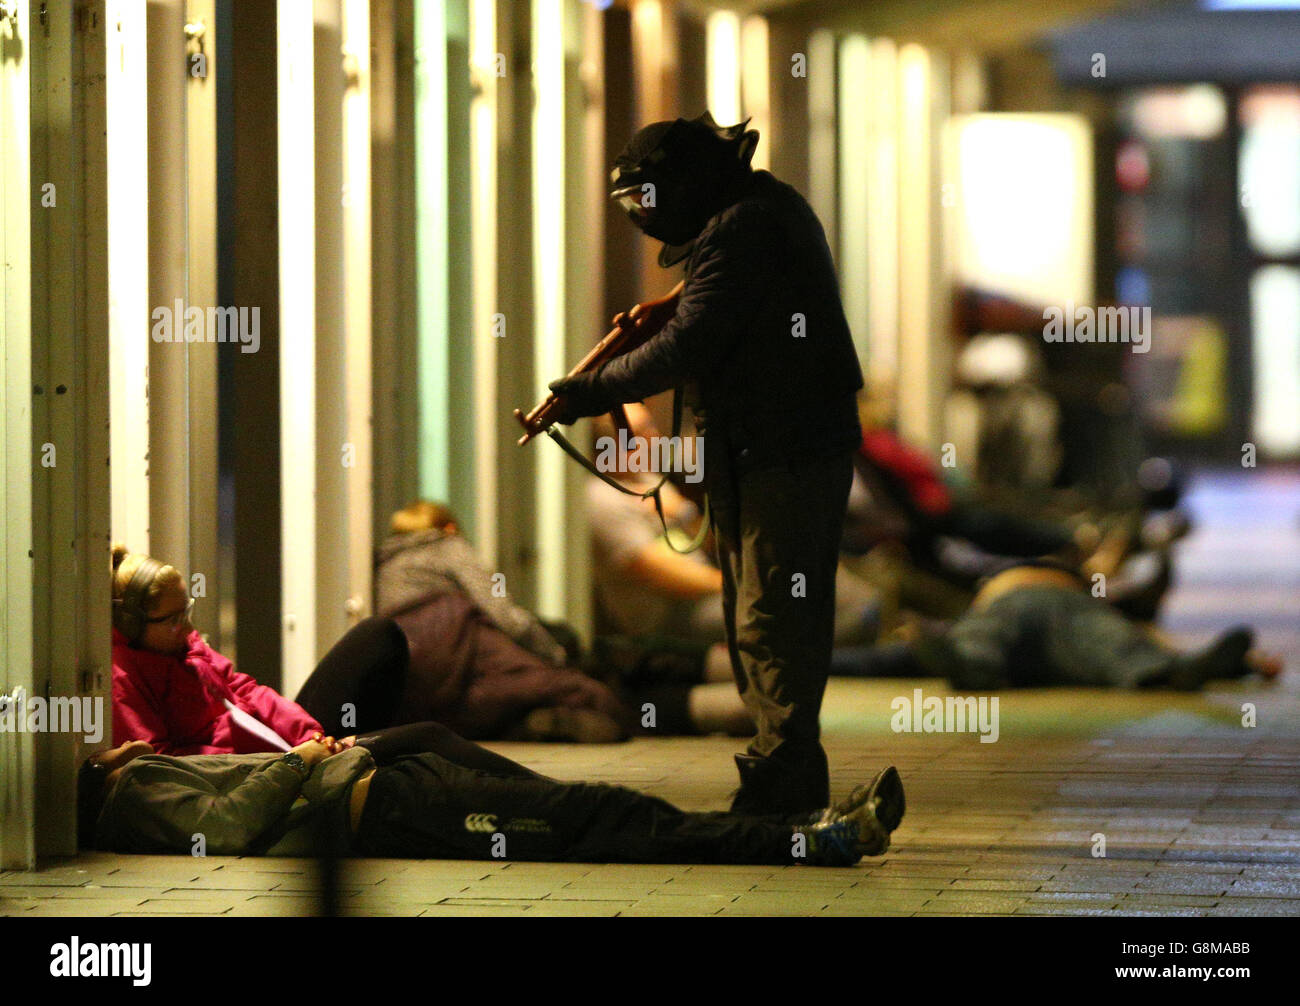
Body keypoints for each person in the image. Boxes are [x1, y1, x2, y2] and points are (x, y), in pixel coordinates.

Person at [548, 112, 865, 815]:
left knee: (771, 615)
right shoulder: (757, 212)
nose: (643, 216)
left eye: (647, 199)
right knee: (757, 612)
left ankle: (784, 784)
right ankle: (777, 772)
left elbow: (692, 344)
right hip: (765, 449)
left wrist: (596, 389)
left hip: (783, 450)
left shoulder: (743, 226)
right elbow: (714, 317)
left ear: (684, 184)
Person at [78, 733, 906, 868]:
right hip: (390, 813)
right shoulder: (131, 795)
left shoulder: (136, 772)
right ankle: (815, 841)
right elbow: (228, 823)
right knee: (601, 820)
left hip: (393, 789)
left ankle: (796, 827)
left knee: (601, 805)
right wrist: (300, 760)